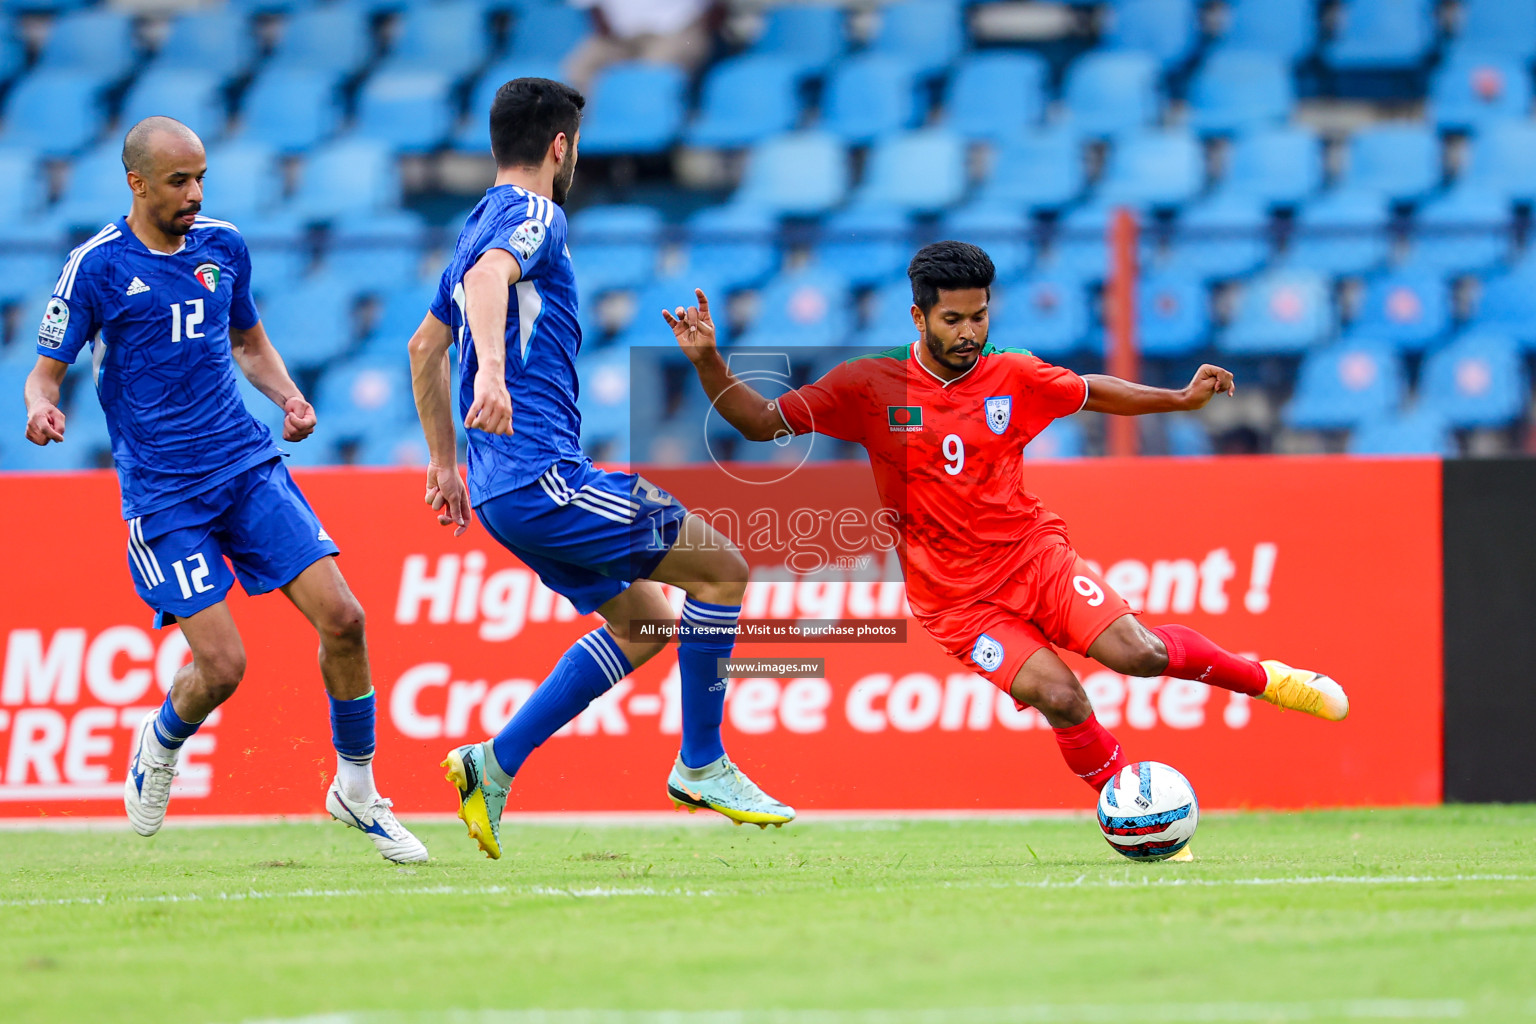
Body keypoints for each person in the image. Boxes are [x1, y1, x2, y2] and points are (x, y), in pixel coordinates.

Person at [668, 240, 1348, 798]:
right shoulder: (865, 387)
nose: (969, 334)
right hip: (957, 602)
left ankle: (1271, 681)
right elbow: (759, 424)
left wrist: (1177, 398)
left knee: (1139, 654)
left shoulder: (1013, 376)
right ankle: (1136, 811)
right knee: (1063, 698)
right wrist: (709, 365)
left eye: (979, 317)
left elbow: (1089, 390)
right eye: (953, 320)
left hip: (1033, 558)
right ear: (918, 318)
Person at [21, 117, 426, 863]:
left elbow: (247, 341)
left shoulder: (223, 244)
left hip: (245, 468)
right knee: (224, 667)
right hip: (165, 496)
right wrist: (41, 406)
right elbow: (45, 371)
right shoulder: (97, 266)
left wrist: (290, 399)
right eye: (179, 181)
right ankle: (161, 740)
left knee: (344, 618)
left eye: (202, 177)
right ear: (137, 183)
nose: (195, 194)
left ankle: (358, 791)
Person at [408, 78, 791, 862]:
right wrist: (490, 379)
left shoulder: (474, 223)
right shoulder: (535, 213)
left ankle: (494, 763)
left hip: (500, 488)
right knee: (721, 569)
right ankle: (703, 762)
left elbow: (421, 348)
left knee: (643, 620)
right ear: (560, 146)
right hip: (540, 473)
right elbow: (487, 285)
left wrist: (444, 465)